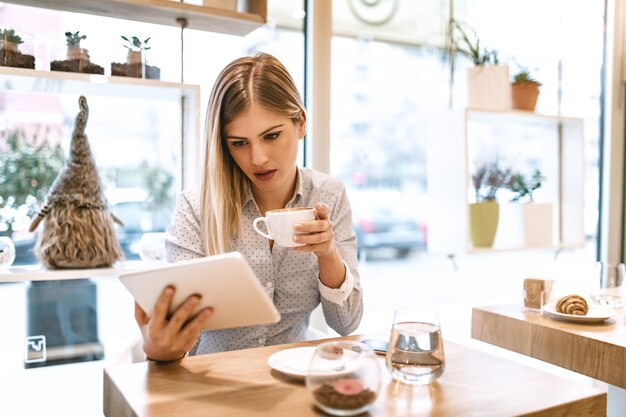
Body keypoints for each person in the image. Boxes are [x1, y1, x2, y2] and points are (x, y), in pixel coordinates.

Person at [135, 52, 363, 361]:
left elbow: (347, 323)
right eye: (239, 143)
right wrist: (159, 348)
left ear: (300, 122)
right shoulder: (196, 208)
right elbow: (178, 338)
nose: (257, 158)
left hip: (292, 383)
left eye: (271, 136)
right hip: (216, 389)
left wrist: (328, 255)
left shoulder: (329, 195)